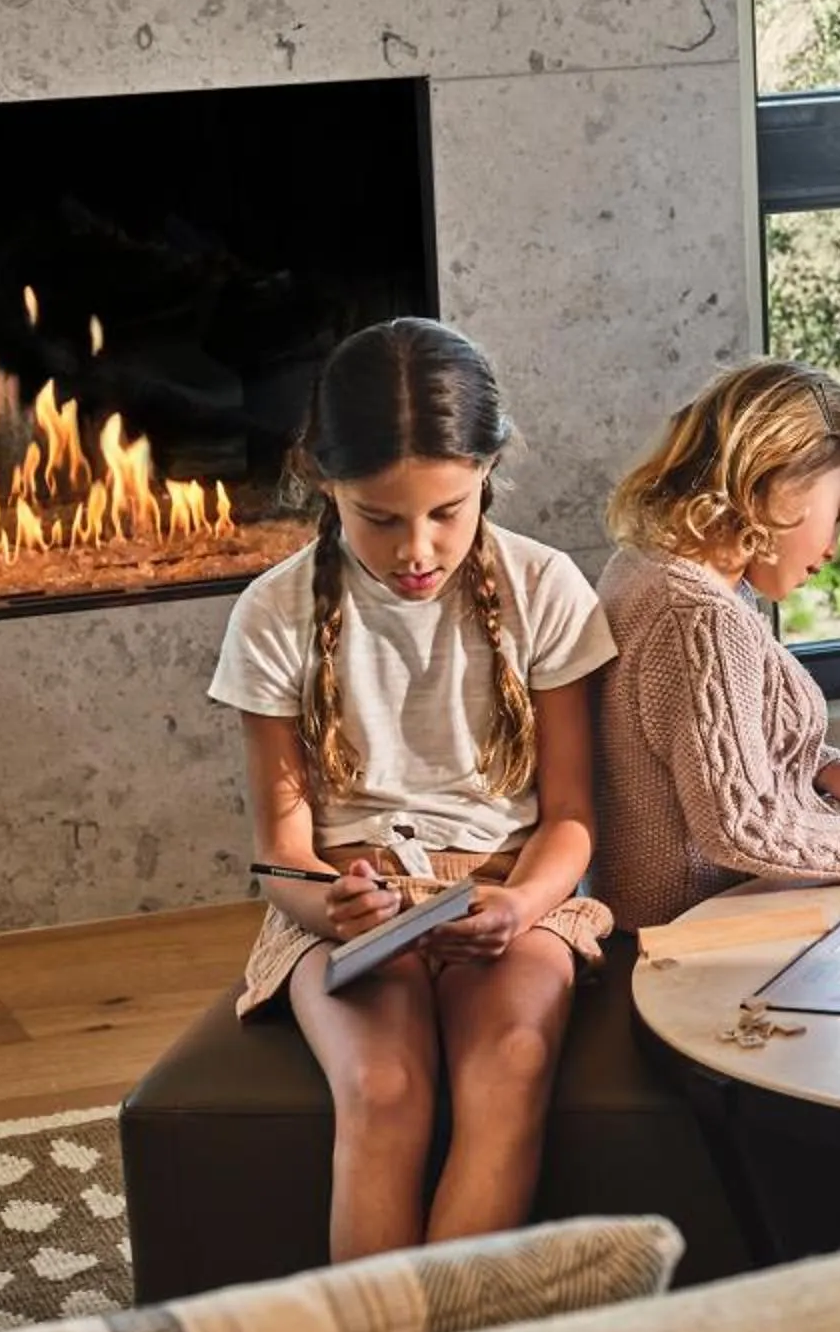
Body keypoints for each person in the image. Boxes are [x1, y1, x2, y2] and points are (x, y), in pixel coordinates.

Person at [212, 318, 618, 1259]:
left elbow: (571, 820)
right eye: (381, 518)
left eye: (448, 510)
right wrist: (333, 904)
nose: (417, 550)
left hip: (510, 891)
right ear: (324, 481)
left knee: (512, 1065)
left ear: (489, 468)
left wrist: (520, 904)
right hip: (346, 910)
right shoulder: (271, 615)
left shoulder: (545, 588)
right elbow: (281, 850)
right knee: (384, 1090)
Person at [595, 360, 840, 929]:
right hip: (701, 937)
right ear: (777, 476)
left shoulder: (649, 570)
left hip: (708, 916)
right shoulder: (699, 616)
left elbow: (698, 743)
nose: (836, 548)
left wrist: (817, 767)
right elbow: (740, 826)